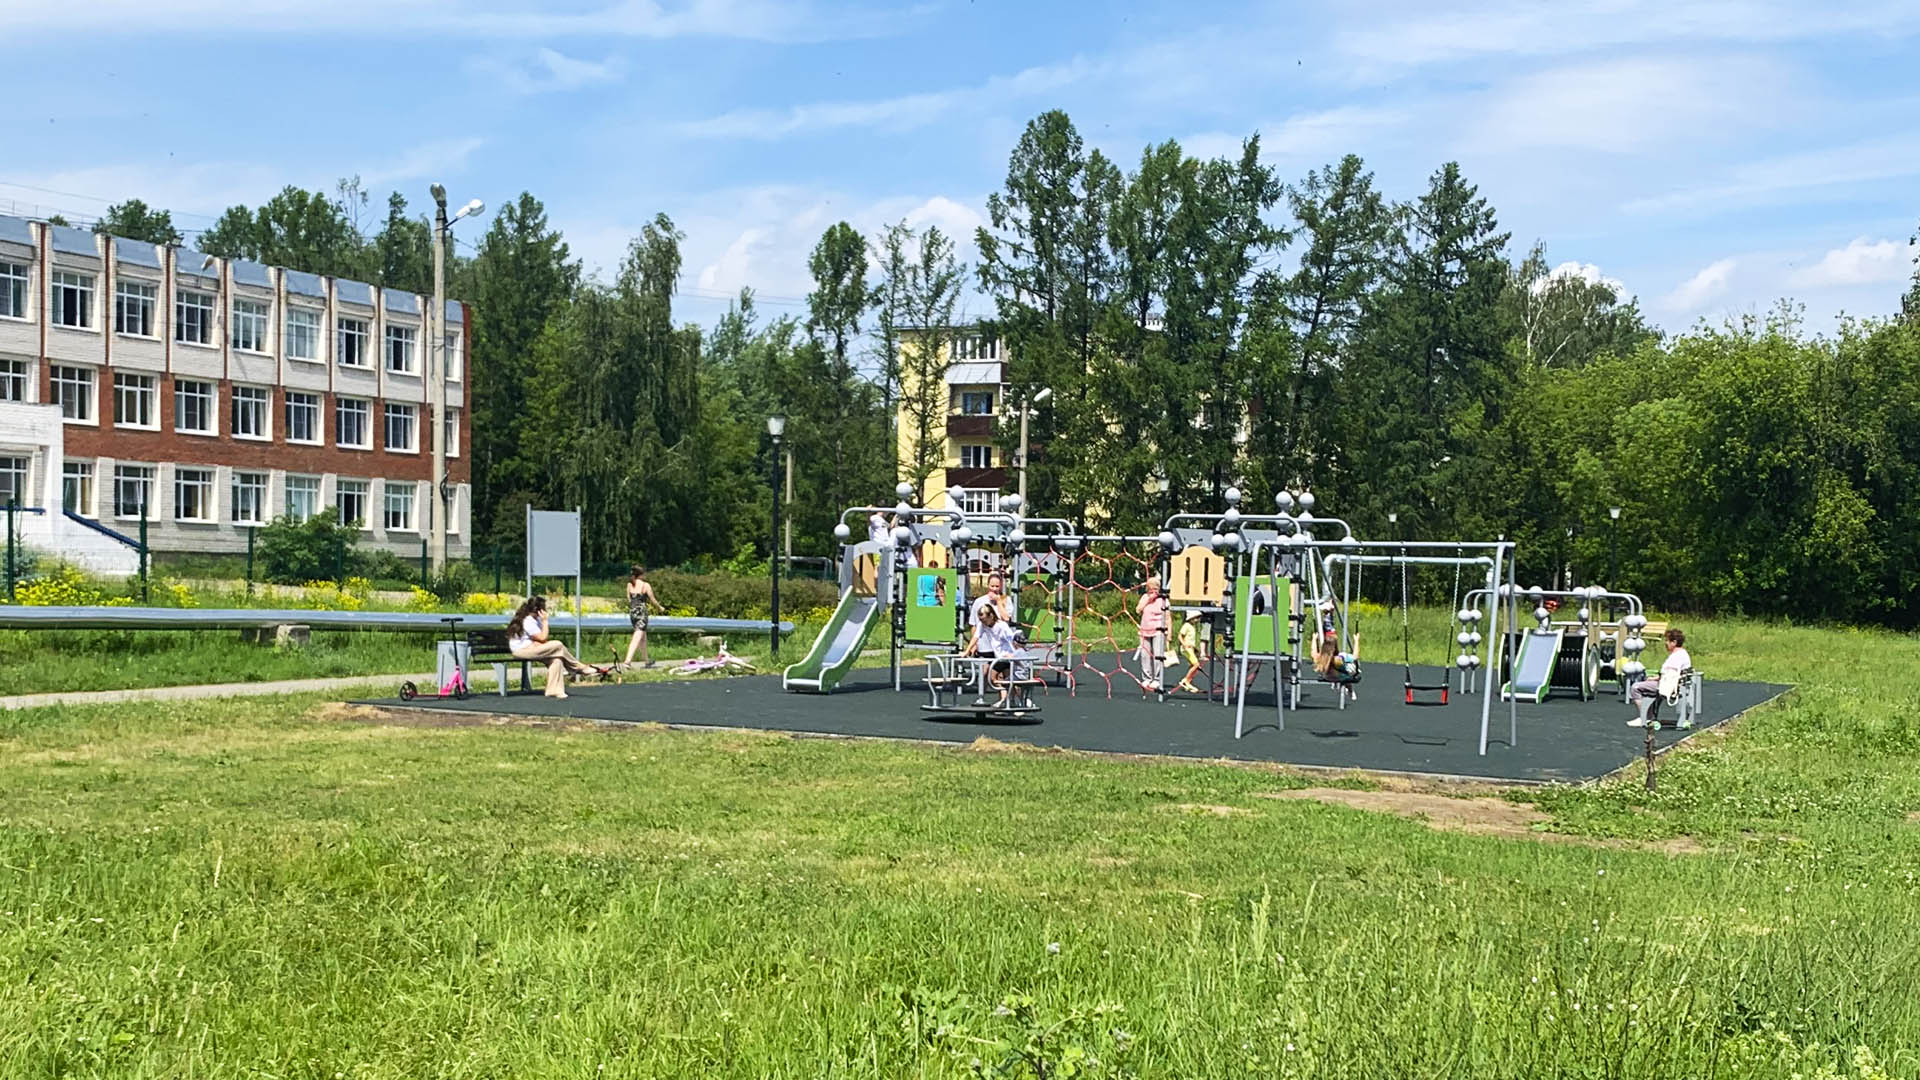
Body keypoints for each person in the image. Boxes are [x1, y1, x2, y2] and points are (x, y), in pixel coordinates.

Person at [507, 595, 597, 699]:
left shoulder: (536, 619)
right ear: (539, 610)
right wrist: (545, 621)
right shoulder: (528, 620)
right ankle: (579, 667)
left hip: (531, 648)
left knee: (556, 658)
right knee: (558, 645)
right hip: (521, 652)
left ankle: (554, 690)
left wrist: (539, 639)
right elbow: (543, 637)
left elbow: (539, 640)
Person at [1628, 627, 1692, 727]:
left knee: (1635, 687)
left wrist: (1655, 678)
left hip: (1669, 686)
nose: (1665, 643)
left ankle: (1644, 717)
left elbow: (1670, 674)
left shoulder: (1676, 656)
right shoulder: (1682, 653)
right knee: (1647, 684)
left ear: (1674, 642)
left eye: (1667, 641)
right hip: (1676, 684)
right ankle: (1649, 716)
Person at [963, 602, 1020, 708]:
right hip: (999, 657)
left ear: (991, 616)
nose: (983, 622)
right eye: (981, 620)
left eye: (984, 620)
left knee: (996, 678)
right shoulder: (982, 625)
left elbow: (1012, 640)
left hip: (1007, 656)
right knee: (1003, 680)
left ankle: (1017, 700)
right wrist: (967, 651)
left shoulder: (1001, 626)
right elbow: (975, 637)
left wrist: (1016, 654)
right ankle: (1010, 700)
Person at [621, 565, 664, 668]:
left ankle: (647, 661)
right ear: (641, 574)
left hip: (633, 612)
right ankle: (627, 661)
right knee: (637, 637)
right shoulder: (645, 585)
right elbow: (652, 599)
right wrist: (660, 608)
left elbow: (629, 599)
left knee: (643, 637)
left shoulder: (629, 585)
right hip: (641, 613)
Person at [1312, 599, 1362, 688]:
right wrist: (1356, 640)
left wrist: (1314, 639)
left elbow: (1314, 653)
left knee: (1329, 635)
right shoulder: (1337, 660)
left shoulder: (1321, 659)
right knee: (1332, 638)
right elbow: (1355, 657)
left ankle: (1329, 613)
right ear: (1334, 648)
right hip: (1342, 675)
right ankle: (1329, 612)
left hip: (1330, 677)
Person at [1135, 578, 1172, 692]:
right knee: (1145, 655)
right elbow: (1138, 610)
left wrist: (1169, 634)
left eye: (1155, 588)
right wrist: (1148, 600)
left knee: (1158, 655)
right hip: (1145, 630)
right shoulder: (1145, 597)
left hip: (1158, 630)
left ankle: (1157, 679)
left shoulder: (1163, 600)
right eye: (1150, 588)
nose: (1153, 591)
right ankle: (1147, 678)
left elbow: (1168, 617)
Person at [1174, 609, 1208, 694]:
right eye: (1195, 618)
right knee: (1196, 664)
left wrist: (1195, 648)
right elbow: (1180, 636)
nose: (1197, 620)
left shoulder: (1192, 626)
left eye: (1198, 618)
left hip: (1191, 648)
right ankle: (1186, 680)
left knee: (1193, 665)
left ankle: (1188, 680)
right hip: (1186, 648)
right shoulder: (1186, 625)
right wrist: (1184, 644)